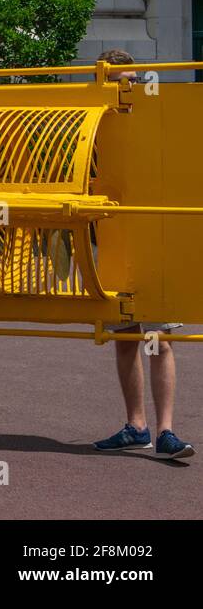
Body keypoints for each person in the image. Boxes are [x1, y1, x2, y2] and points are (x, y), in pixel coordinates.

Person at [90, 49, 194, 459]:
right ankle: (137, 426)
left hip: (152, 241)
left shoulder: (155, 119)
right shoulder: (95, 126)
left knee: (158, 338)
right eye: (117, 79)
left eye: (130, 78)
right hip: (114, 243)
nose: (125, 85)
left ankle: (167, 431)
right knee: (123, 341)